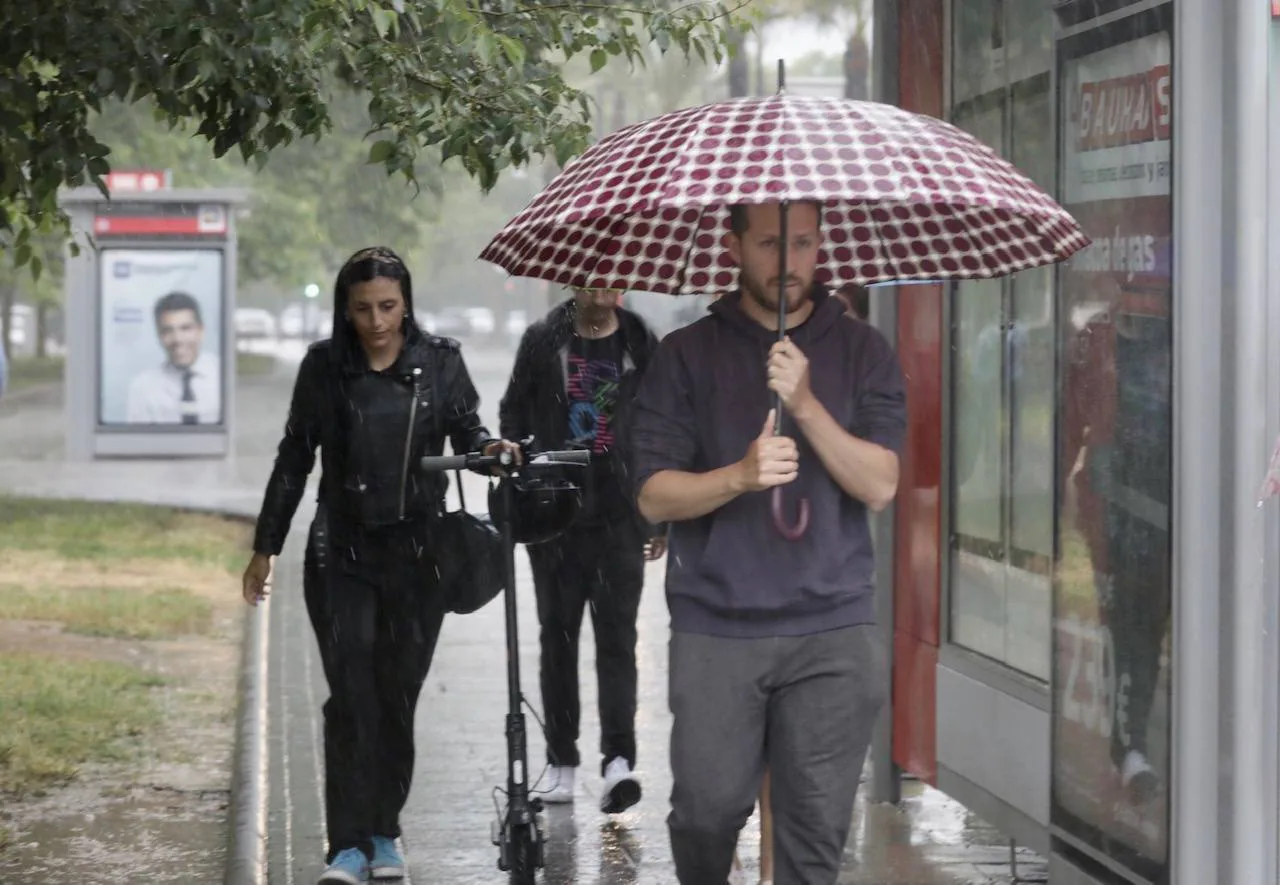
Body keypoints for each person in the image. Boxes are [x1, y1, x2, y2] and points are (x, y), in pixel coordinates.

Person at [630, 200, 907, 885]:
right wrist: (739, 476)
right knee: (705, 810)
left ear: (822, 246)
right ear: (733, 245)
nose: (787, 262)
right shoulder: (685, 354)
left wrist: (808, 404)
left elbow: (881, 484)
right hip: (717, 625)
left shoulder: (863, 350)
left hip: (832, 627)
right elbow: (652, 494)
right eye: (768, 243)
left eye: (804, 243)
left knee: (813, 832)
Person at [241, 246, 519, 885]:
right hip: (339, 553)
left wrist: (491, 450)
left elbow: (469, 432)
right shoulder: (324, 368)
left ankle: (384, 833)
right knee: (351, 698)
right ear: (345, 307)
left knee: (397, 697)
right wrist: (266, 546)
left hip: (418, 557)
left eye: (388, 306)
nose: (376, 321)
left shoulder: (440, 362)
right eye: (362, 308)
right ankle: (346, 847)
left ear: (406, 303)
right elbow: (293, 459)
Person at [498, 286, 666, 813]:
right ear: (573, 279)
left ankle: (619, 761)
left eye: (615, 273)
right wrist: (526, 471)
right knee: (558, 638)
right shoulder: (543, 342)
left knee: (618, 640)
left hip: (621, 518)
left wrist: (659, 518)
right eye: (592, 274)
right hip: (558, 519)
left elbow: (664, 429)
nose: (604, 284)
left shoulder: (640, 343)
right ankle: (562, 762)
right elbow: (511, 416)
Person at [126, 291, 222, 424]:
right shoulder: (143, 387)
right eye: (167, 331)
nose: (177, 339)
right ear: (159, 336)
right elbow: (138, 442)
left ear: (201, 331)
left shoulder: (223, 375)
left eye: (185, 328)